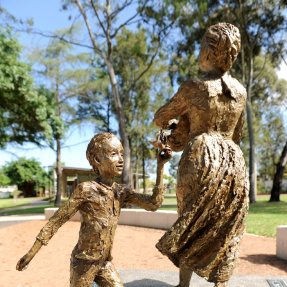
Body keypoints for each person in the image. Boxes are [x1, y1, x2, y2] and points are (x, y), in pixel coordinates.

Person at [153, 23, 249, 287]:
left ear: (208, 52)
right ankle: (221, 284)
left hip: (201, 155)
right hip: (234, 160)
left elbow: (160, 117)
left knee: (189, 218)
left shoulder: (194, 87)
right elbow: (237, 135)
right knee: (227, 223)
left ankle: (184, 284)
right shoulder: (240, 92)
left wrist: (179, 122)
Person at [16, 132, 172, 287]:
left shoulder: (121, 192)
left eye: (121, 154)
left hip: (104, 263)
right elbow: (57, 220)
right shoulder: (86, 190)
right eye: (113, 154)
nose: (121, 159)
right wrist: (31, 252)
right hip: (83, 264)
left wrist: (160, 167)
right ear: (98, 160)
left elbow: (153, 204)